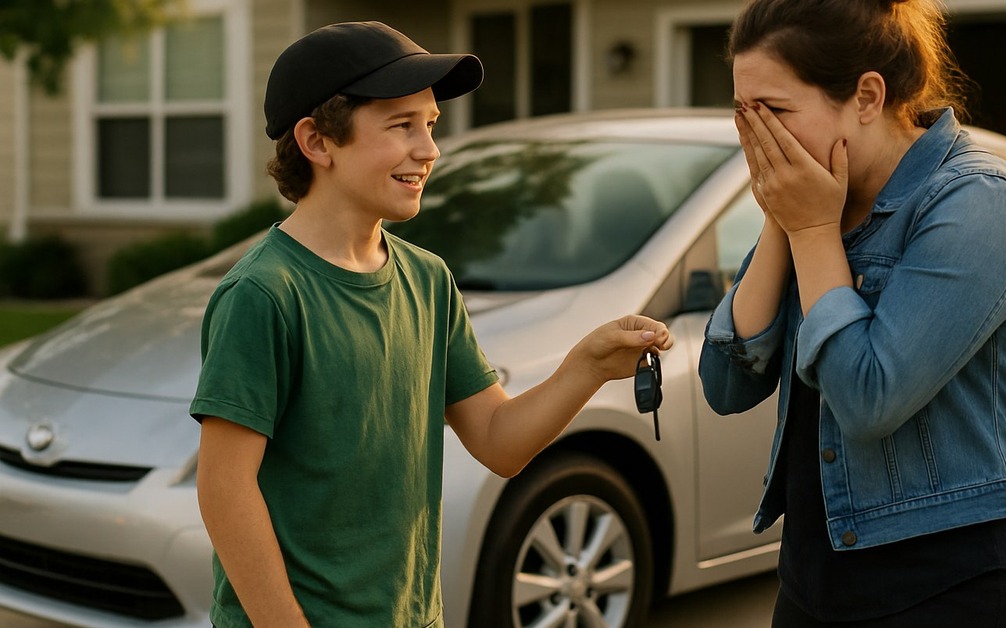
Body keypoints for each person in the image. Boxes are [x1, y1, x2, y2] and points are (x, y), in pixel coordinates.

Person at [190, 21, 672, 628]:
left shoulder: (427, 280)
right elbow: (225, 492)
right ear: (317, 141)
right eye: (402, 127)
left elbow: (498, 441)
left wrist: (590, 366)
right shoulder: (264, 294)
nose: (430, 150)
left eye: (431, 125)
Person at [698, 0, 1006, 626]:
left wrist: (810, 228)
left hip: (956, 578)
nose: (754, 138)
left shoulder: (976, 202)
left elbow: (868, 398)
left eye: (775, 112)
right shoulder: (818, 201)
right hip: (820, 569)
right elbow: (726, 384)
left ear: (866, 96)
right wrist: (787, 221)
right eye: (742, 112)